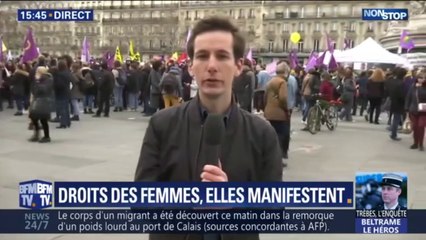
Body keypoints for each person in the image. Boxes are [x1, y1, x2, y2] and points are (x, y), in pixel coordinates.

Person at [134, 17, 282, 240]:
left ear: (239, 65)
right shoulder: (162, 124)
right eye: (202, 56)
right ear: (191, 66)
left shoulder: (262, 133)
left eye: (222, 56)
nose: (211, 66)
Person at [264, 61, 290, 162]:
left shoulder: (271, 81)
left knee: (272, 135)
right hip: (279, 114)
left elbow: (265, 96)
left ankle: (270, 156)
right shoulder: (282, 82)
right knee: (281, 136)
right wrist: (286, 109)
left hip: (269, 112)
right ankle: (278, 158)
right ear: (285, 72)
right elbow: (283, 98)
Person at [28, 66, 54, 143]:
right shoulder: (36, 80)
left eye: (37, 72)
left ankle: (47, 136)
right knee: (34, 117)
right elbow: (33, 89)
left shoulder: (49, 79)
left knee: (43, 120)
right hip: (36, 100)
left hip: (44, 100)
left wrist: (37, 81)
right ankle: (36, 134)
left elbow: (44, 89)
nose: (36, 73)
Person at [405, 69, 426, 151]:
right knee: (415, 127)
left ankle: (421, 144)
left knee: (421, 126)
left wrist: (420, 88)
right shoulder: (413, 86)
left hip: (423, 110)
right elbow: (408, 97)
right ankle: (415, 143)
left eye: (423, 78)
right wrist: (406, 108)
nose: (421, 79)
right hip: (413, 110)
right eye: (420, 77)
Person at [388, 67, 407, 141]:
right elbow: (401, 95)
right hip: (399, 103)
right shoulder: (401, 83)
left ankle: (393, 131)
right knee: (397, 118)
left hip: (393, 101)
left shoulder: (392, 81)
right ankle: (393, 134)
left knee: (395, 117)